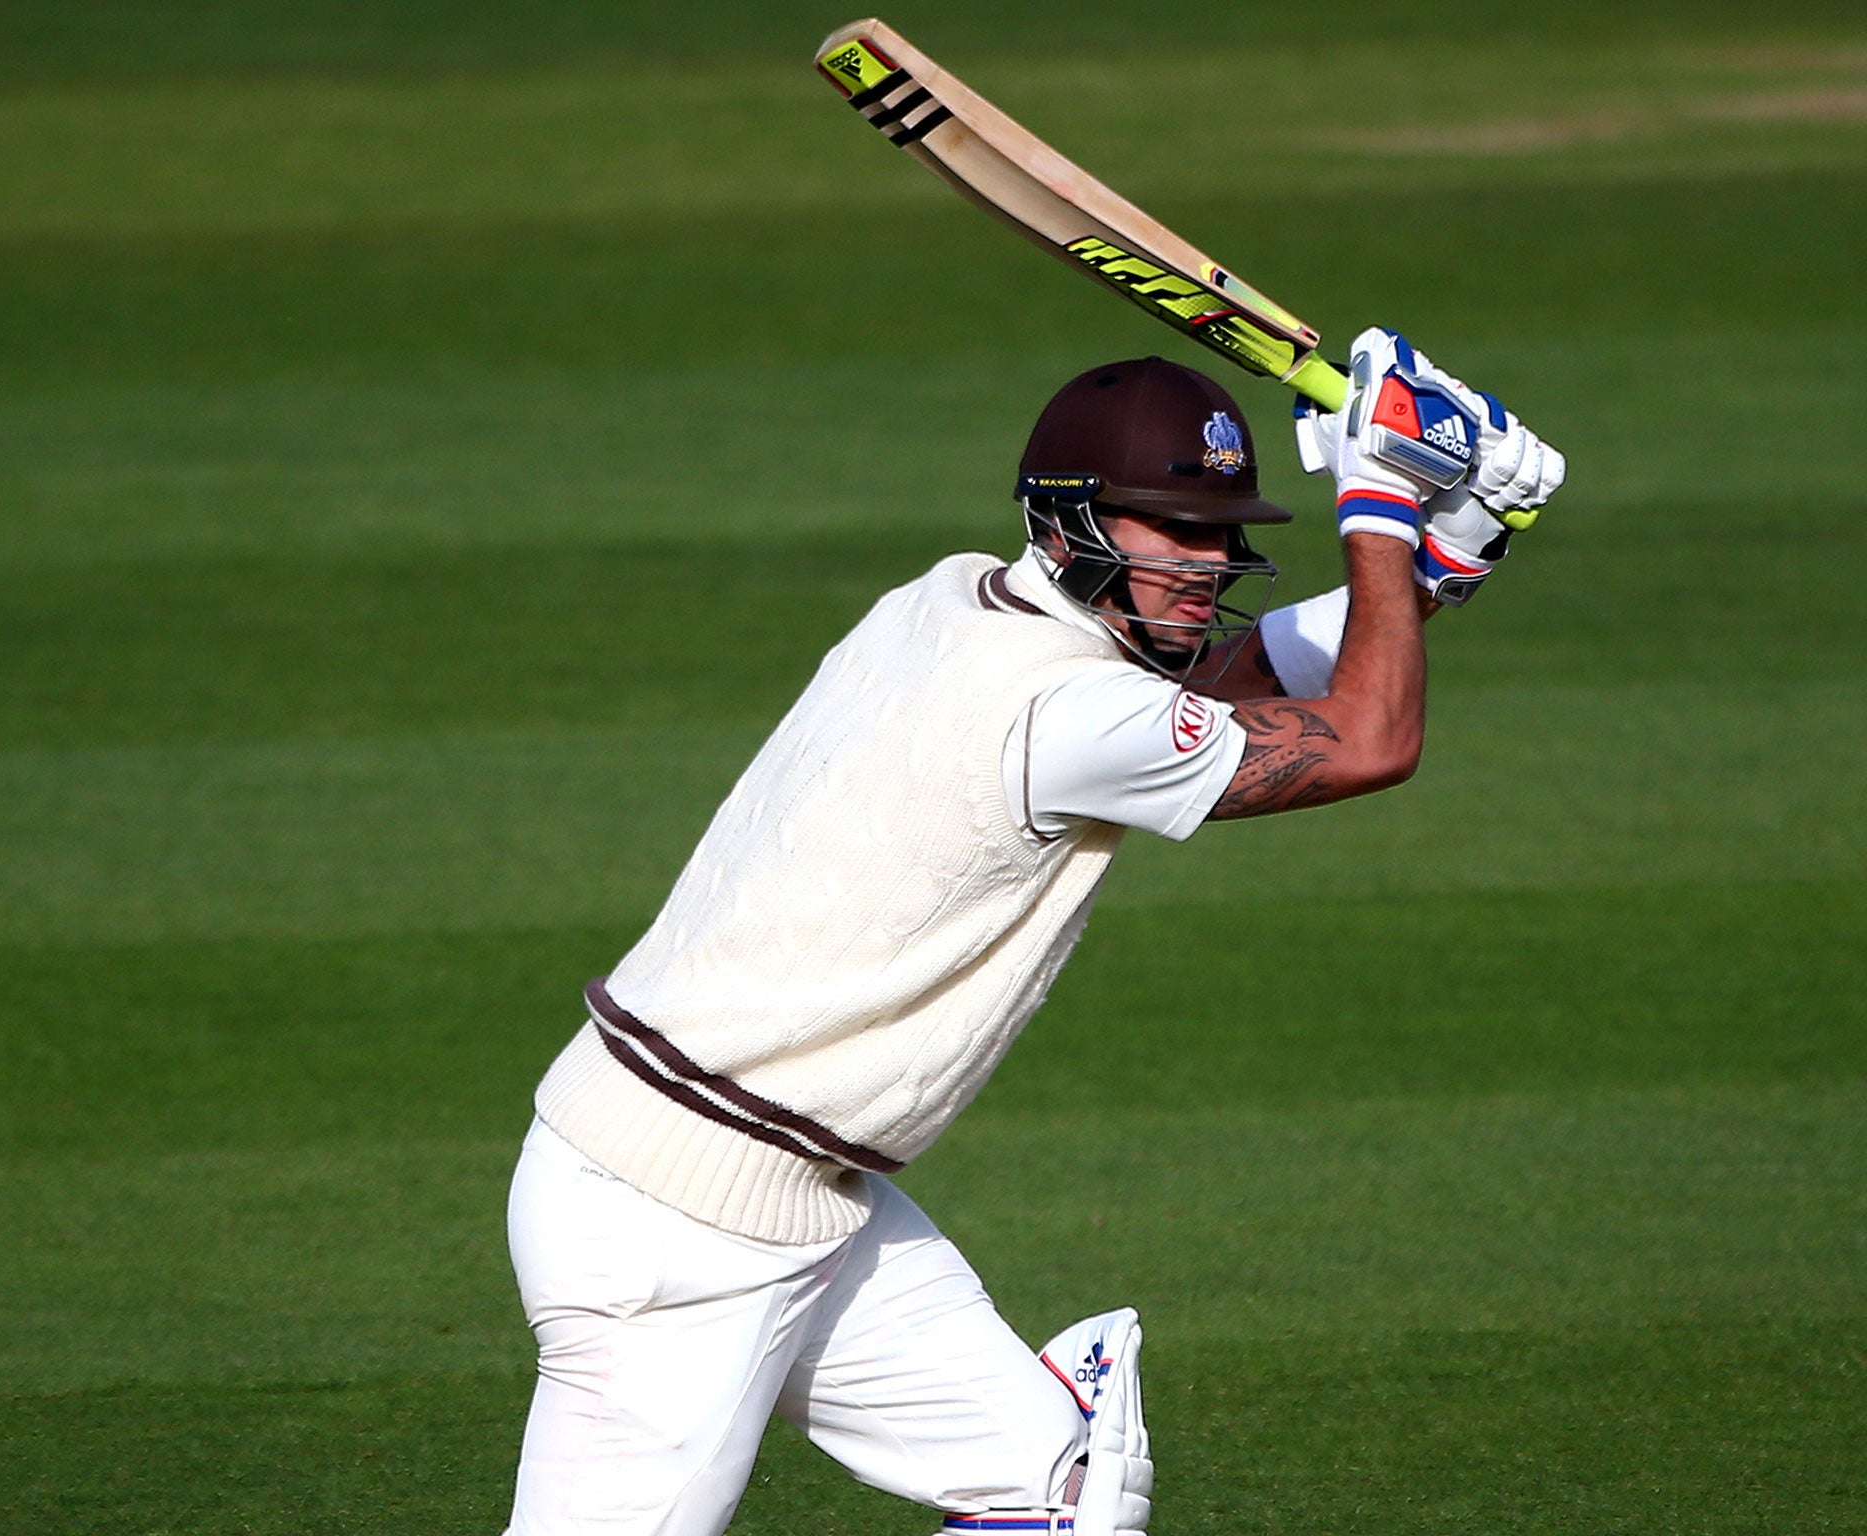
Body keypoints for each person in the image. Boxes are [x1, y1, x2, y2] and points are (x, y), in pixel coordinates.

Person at [502, 328, 1564, 1536]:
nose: (1209, 563)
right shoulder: (1060, 711)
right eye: (1176, 531)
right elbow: (1366, 741)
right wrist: (1376, 509)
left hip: (791, 1189)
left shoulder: (955, 601)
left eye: (1223, 535)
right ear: (1070, 522)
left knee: (1058, 1495)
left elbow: (1201, 695)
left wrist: (1442, 554)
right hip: (674, 1218)